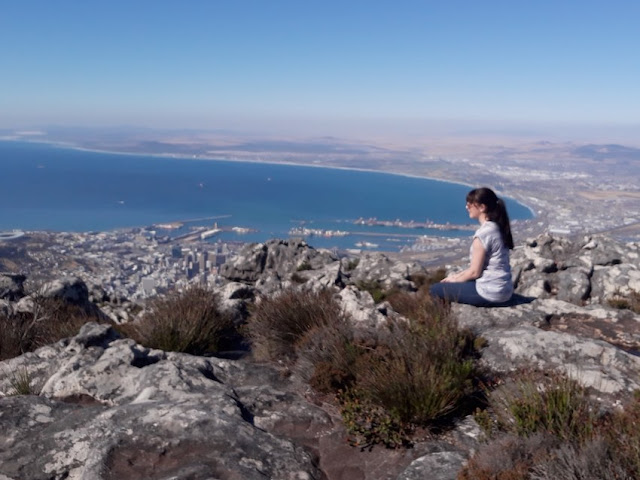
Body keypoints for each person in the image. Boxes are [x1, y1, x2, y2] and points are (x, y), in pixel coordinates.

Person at [430, 187, 514, 307]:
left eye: (470, 204)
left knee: (435, 289)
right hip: (505, 291)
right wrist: (456, 276)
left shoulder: (483, 234)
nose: (466, 207)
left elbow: (474, 272)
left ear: (482, 207)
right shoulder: (497, 228)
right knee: (453, 282)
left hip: (490, 292)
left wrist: (453, 281)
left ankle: (442, 322)